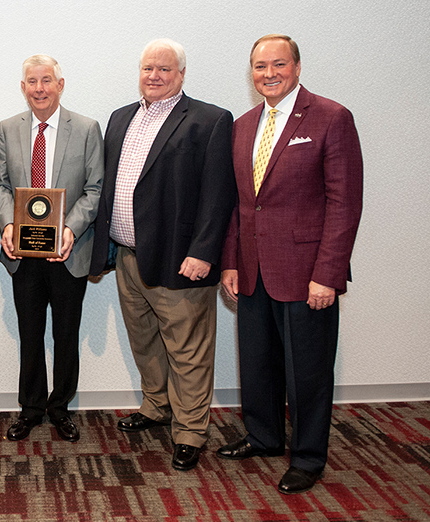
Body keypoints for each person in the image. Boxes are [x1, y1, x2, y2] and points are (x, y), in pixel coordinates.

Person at [217, 34, 364, 494]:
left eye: (278, 64)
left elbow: (345, 202)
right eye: (260, 67)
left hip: (307, 273)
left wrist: (329, 273)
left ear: (297, 67)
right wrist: (230, 263)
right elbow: (239, 204)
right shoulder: (243, 125)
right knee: (256, 361)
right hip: (253, 268)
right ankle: (263, 437)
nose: (269, 74)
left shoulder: (331, 117)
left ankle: (307, 456)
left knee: (308, 372)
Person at [89, 39, 235, 471]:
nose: (154, 76)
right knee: (146, 340)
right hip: (128, 255)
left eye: (164, 70)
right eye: (148, 68)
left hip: (179, 259)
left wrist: (204, 252)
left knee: (188, 348)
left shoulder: (209, 120)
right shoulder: (119, 118)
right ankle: (156, 407)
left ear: (181, 75)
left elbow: (218, 193)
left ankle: (190, 431)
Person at [0, 55, 103, 442]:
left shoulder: (87, 129)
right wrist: (7, 223)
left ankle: (60, 408)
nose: (39, 88)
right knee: (30, 332)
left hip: (68, 252)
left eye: (46, 80)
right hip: (23, 255)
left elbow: (95, 188)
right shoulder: (7, 129)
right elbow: (1, 184)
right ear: (23, 87)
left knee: (66, 333)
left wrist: (70, 229)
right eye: (31, 81)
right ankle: (30, 408)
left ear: (60, 84)